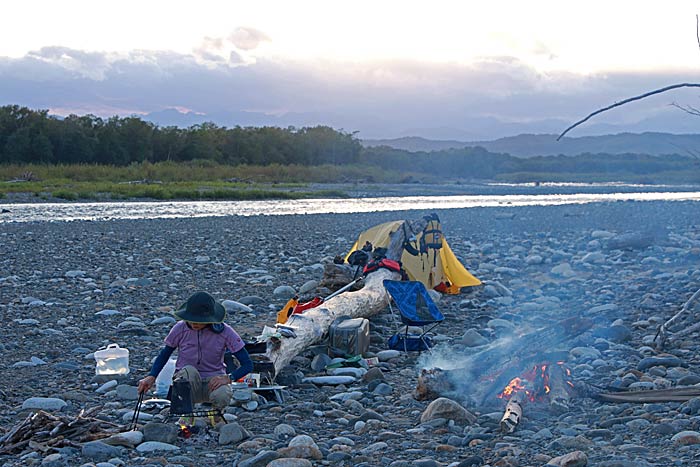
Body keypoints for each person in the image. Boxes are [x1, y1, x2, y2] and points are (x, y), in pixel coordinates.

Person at [137, 291, 253, 419]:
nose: (194, 323)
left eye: (199, 320)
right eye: (191, 319)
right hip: (186, 384)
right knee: (189, 371)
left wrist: (229, 377)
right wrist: (152, 376)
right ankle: (186, 416)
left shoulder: (225, 332)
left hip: (213, 382)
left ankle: (216, 416)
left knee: (223, 393)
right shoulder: (180, 329)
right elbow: (164, 354)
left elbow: (248, 364)